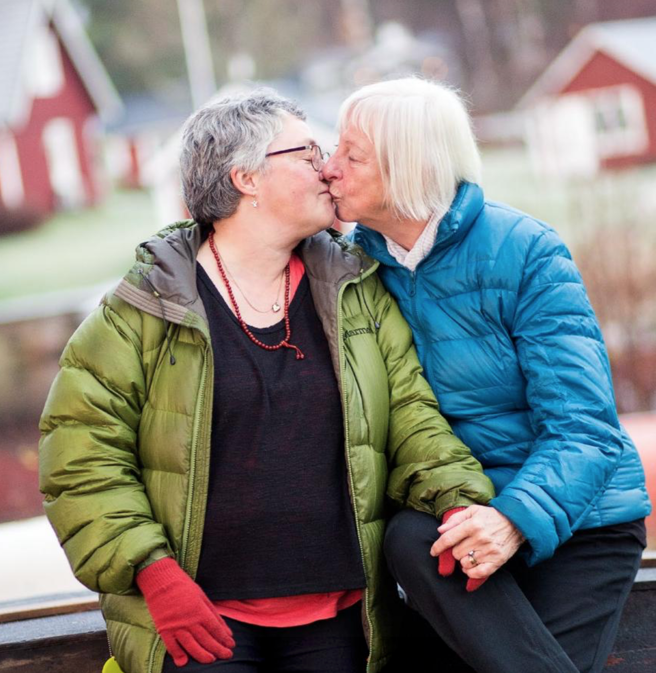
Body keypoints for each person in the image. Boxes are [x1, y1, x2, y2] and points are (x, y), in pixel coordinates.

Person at [39, 89, 494, 673]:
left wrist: (459, 503)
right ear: (246, 178)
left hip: (337, 616)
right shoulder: (143, 309)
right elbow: (79, 460)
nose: (327, 168)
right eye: (307, 153)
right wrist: (150, 571)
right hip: (199, 621)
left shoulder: (357, 293)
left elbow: (412, 418)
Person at [321, 77, 651, 673]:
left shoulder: (524, 251)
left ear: (406, 167)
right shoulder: (352, 273)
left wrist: (513, 519)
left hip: (582, 523)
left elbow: (586, 430)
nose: (328, 167)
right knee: (407, 538)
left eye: (351, 154)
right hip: (455, 522)